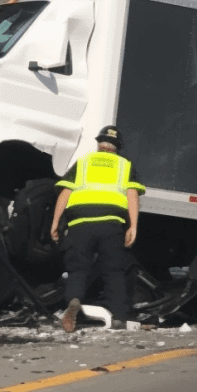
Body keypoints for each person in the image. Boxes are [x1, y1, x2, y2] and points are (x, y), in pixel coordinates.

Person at [50, 125, 145, 332]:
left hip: (79, 223)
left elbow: (65, 192)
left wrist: (55, 222)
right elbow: (132, 194)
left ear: (99, 144)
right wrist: (133, 226)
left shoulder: (83, 162)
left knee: (78, 269)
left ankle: (74, 300)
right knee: (114, 271)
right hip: (110, 223)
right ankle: (118, 317)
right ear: (117, 147)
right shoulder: (124, 165)